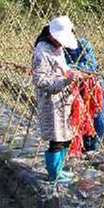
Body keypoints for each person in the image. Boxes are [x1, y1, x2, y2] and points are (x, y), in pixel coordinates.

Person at [32, 16, 83, 183]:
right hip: (51, 102)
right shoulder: (42, 51)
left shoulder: (57, 48)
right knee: (57, 138)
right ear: (52, 35)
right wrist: (65, 81)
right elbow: (39, 81)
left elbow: (62, 68)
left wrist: (71, 73)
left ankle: (59, 169)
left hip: (63, 99)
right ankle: (53, 173)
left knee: (66, 135)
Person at [64, 35, 104, 152]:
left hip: (91, 88)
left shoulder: (83, 45)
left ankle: (94, 147)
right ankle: (79, 147)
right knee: (75, 119)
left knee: (98, 120)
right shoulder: (58, 48)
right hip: (70, 89)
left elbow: (90, 65)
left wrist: (70, 69)